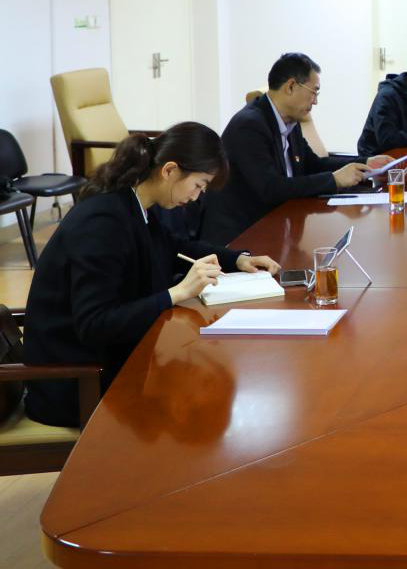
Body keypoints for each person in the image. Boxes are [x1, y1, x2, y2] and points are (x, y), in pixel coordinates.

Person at [22, 123, 279, 428]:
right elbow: (95, 324)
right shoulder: (103, 221)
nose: (197, 197)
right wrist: (176, 293)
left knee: (203, 367)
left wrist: (237, 259)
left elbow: (173, 247)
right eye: (198, 185)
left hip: (106, 361)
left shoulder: (135, 204)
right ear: (170, 170)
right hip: (76, 382)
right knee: (193, 382)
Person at [200, 52, 389, 245]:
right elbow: (271, 188)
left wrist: (366, 163)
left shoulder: (290, 121)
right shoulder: (249, 125)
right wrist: (334, 180)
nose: (315, 101)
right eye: (314, 92)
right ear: (291, 86)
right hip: (241, 236)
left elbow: (313, 164)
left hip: (277, 224)